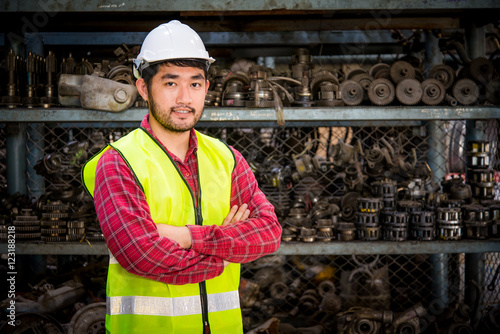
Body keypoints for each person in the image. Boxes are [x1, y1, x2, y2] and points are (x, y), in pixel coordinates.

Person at [81, 20, 282, 333]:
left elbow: (269, 232)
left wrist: (188, 237)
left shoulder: (226, 159)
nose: (185, 98)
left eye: (195, 84)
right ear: (144, 88)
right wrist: (226, 254)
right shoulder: (119, 162)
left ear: (206, 87)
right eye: (171, 84)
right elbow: (141, 255)